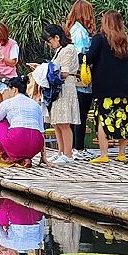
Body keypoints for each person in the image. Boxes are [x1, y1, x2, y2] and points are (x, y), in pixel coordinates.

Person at [85, 11, 128, 162]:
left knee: (102, 119)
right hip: (125, 88)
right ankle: (122, 153)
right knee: (122, 120)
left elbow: (90, 57)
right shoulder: (126, 41)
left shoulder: (100, 39)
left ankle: (104, 155)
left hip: (104, 88)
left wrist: (80, 56)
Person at [30, 24, 81, 161]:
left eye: (50, 40)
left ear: (57, 37)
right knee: (56, 121)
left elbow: (64, 72)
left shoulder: (68, 49)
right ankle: (60, 152)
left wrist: (44, 69)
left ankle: (68, 154)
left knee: (64, 122)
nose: (49, 43)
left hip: (65, 87)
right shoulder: (60, 50)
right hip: (56, 88)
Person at [0, 75, 47, 166]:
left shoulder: (7, 103)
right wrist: (43, 157)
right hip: (35, 144)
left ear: (14, 89)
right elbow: (41, 132)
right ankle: (25, 158)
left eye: (9, 89)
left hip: (17, 139)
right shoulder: (36, 105)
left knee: (0, 123)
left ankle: (5, 158)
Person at [68, 0, 97, 151]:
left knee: (78, 114)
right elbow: (79, 55)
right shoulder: (79, 32)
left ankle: (74, 147)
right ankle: (78, 148)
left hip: (79, 78)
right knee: (80, 114)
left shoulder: (75, 29)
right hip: (81, 78)